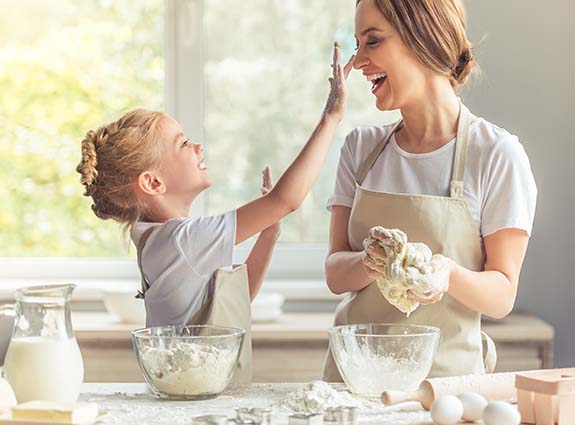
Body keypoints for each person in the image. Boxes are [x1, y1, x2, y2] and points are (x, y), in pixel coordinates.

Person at [76, 43, 354, 383]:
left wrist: (269, 233)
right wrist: (331, 117)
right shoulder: (182, 240)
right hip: (194, 402)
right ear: (152, 182)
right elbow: (287, 199)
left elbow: (235, 301)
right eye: (182, 143)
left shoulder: (162, 240)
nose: (197, 147)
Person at [322, 0, 537, 380]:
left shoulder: (496, 155)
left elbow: (502, 292)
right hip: (355, 382)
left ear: (422, 37)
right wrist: (374, 260)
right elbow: (336, 274)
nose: (358, 61)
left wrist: (446, 274)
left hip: (445, 391)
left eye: (372, 42)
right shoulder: (360, 149)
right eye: (357, 45)